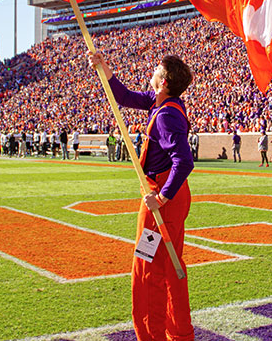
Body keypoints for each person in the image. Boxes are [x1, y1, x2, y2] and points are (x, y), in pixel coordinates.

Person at [88, 51, 196, 341]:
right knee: (171, 265)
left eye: (155, 72)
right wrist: (104, 67)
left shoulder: (167, 115)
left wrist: (161, 198)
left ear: (162, 83)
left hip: (161, 201)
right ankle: (180, 333)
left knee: (147, 268)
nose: (151, 74)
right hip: (168, 197)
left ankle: (152, 335)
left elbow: (184, 161)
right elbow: (124, 97)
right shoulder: (161, 101)